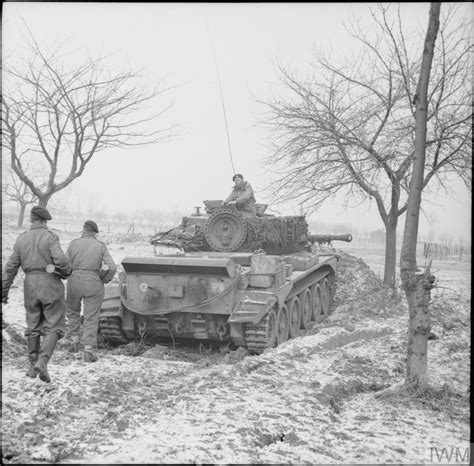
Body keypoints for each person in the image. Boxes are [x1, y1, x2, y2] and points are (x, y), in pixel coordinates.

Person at [2, 205, 72, 383]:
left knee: (33, 326)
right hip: (49, 283)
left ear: (32, 220)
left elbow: (10, 268)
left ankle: (34, 365)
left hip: (29, 285)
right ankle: (42, 361)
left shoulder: (21, 239)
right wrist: (66, 271)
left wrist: (4, 290)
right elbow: (61, 261)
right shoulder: (50, 237)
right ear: (45, 220)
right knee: (55, 325)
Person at [65, 220, 117, 362]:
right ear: (95, 233)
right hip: (94, 281)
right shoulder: (100, 246)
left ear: (83, 230)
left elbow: (64, 264)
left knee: (73, 312)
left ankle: (74, 343)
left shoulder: (74, 243)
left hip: (74, 280)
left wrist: (69, 275)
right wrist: (104, 279)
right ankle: (88, 350)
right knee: (91, 316)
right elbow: (111, 267)